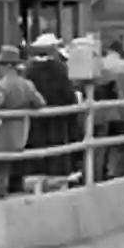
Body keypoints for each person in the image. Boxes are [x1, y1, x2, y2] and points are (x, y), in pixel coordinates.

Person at [0, 45, 46, 195]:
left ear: (6, 66)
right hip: (21, 132)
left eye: (1, 65)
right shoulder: (27, 84)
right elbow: (40, 103)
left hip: (3, 133)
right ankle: (8, 187)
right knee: (10, 163)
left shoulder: (1, 84)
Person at [23, 33, 78, 177]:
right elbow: (69, 95)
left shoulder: (28, 70)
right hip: (57, 118)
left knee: (37, 149)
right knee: (57, 149)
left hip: (35, 118)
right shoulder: (59, 69)